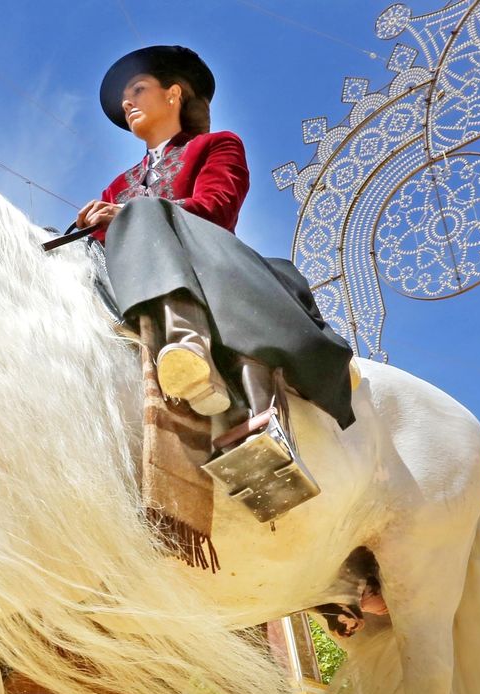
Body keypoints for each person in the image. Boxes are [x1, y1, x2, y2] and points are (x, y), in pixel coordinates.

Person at [78, 45, 356, 512]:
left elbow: (217, 209)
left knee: (142, 215)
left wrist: (129, 214)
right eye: (125, 97)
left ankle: (191, 349)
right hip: (131, 282)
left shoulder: (217, 145)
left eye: (138, 89)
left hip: (206, 263)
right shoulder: (117, 184)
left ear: (173, 94)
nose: (128, 102)